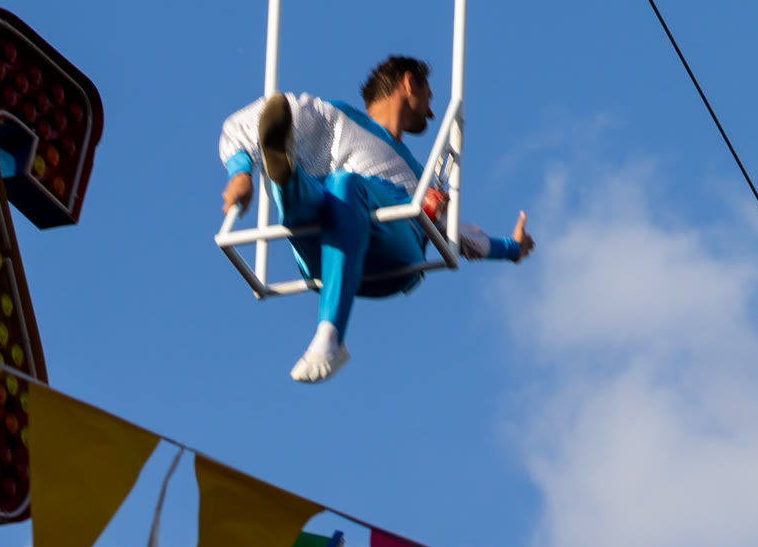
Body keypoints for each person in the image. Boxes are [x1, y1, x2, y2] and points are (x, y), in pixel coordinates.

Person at [219, 56, 533, 384]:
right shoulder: (337, 119)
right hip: (325, 251)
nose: (432, 113)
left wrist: (511, 247)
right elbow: (247, 122)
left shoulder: (420, 176)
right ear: (409, 83)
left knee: (345, 183)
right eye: (429, 98)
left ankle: (330, 335)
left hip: (393, 256)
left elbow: (456, 236)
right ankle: (286, 175)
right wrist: (240, 172)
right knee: (317, 188)